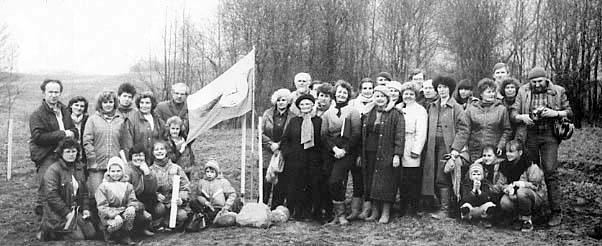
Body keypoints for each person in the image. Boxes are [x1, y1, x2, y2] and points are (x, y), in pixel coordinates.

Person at [511, 66, 572, 227]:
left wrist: (555, 113)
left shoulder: (558, 91)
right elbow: (513, 114)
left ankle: (556, 211)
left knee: (550, 171)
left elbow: (570, 112)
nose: (537, 84)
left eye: (539, 81)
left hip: (550, 136)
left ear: (546, 79)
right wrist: (522, 117)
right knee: (531, 171)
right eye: (533, 82)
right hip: (530, 136)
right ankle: (534, 210)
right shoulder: (523, 91)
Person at [30, 79, 79, 216]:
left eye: (56, 92)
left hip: (65, 154)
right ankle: (43, 223)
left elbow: (74, 130)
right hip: (47, 154)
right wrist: (62, 134)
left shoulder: (65, 111)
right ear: (43, 93)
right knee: (46, 187)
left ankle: (63, 219)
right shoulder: (37, 115)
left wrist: (73, 133)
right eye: (50, 92)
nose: (53, 95)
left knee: (67, 186)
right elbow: (38, 137)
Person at [359, 85, 404, 224]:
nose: (379, 99)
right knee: (371, 181)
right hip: (370, 152)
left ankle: (385, 213)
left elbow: (400, 135)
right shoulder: (368, 112)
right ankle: (374, 211)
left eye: (382, 96)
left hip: (387, 153)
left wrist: (397, 155)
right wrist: (361, 154)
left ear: (387, 98)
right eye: (377, 96)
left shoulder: (395, 113)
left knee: (386, 183)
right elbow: (362, 135)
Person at [421, 76, 463, 219]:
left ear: (450, 89)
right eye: (439, 87)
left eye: (445, 87)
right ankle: (433, 204)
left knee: (443, 176)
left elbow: (463, 129)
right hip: (432, 145)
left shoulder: (456, 108)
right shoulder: (432, 106)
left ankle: (446, 210)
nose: (442, 90)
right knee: (430, 175)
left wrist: (455, 149)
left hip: (447, 146)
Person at [321, 80, 361, 225]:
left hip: (347, 152)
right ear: (335, 94)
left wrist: (344, 150)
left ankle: (342, 214)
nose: (342, 95)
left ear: (348, 95)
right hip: (331, 151)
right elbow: (324, 135)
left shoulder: (353, 112)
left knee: (336, 180)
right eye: (339, 92)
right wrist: (334, 149)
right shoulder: (327, 113)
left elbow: (356, 134)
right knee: (329, 182)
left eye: (345, 92)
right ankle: (337, 215)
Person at [38, 138, 93, 241]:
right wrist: (66, 213)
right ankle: (49, 230)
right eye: (68, 151)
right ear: (61, 153)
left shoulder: (79, 168)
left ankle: (71, 225)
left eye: (74, 151)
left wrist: (85, 208)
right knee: (79, 237)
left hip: (75, 211)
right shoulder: (53, 170)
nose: (71, 154)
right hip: (57, 213)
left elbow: (85, 192)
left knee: (91, 233)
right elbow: (51, 196)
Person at [279, 94, 322, 221]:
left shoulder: (318, 121)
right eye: (302, 104)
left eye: (307, 104)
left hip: (313, 160)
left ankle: (310, 212)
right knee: (296, 185)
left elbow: (322, 140)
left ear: (312, 105)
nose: (305, 107)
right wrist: (288, 153)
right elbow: (285, 139)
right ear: (299, 107)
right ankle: (296, 211)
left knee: (311, 185)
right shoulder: (294, 121)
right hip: (295, 160)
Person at [451, 78, 512, 162]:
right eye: (488, 92)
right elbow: (464, 130)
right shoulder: (471, 109)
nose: (492, 94)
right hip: (475, 151)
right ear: (481, 94)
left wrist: (501, 145)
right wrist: (456, 148)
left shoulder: (501, 109)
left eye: (493, 92)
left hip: (494, 151)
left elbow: (507, 130)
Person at [83, 90, 129, 198]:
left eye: (110, 102)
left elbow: (124, 143)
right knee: (97, 195)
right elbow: (87, 141)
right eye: (105, 102)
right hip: (97, 165)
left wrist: (123, 162)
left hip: (115, 166)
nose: (108, 105)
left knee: (114, 195)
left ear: (115, 103)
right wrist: (92, 160)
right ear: (100, 104)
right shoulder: (92, 120)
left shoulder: (121, 120)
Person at [95, 157, 150, 245]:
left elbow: (132, 200)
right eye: (113, 171)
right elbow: (102, 207)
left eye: (118, 171)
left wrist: (132, 206)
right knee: (118, 221)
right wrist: (114, 215)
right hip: (110, 215)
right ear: (108, 172)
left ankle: (125, 235)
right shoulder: (103, 186)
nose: (116, 174)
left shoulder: (128, 185)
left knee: (131, 212)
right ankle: (110, 234)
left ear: (122, 171)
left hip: (123, 211)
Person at [261, 89, 294, 208]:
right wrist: (270, 144)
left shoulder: (292, 116)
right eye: (279, 100)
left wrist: (279, 145)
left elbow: (291, 135)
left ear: (288, 101)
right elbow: (260, 133)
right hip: (267, 152)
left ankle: (275, 207)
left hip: (283, 151)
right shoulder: (267, 114)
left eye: (283, 100)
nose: (281, 102)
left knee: (280, 181)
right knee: (266, 180)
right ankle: (262, 205)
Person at [399, 82, 427, 216]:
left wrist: (417, 149)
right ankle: (402, 207)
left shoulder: (420, 110)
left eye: (411, 94)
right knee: (402, 179)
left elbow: (421, 132)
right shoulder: (399, 108)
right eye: (406, 94)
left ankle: (414, 207)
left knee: (413, 178)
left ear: (415, 95)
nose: (408, 96)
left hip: (412, 144)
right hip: (400, 145)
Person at [149, 140, 191, 230]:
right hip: (160, 204)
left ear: (166, 151)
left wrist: (181, 198)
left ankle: (171, 221)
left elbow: (186, 185)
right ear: (152, 153)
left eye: (162, 149)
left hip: (174, 203)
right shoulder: (150, 171)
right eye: (156, 150)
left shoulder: (176, 168)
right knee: (159, 209)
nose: (159, 151)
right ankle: (160, 221)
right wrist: (156, 195)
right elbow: (147, 189)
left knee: (182, 216)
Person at [499, 161, 548, 232]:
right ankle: (517, 218)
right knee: (505, 202)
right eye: (507, 152)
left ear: (520, 152)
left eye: (511, 152)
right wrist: (508, 189)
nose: (508, 154)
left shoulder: (531, 166)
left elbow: (536, 186)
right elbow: (502, 184)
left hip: (534, 196)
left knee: (522, 193)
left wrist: (523, 184)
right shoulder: (506, 164)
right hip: (515, 194)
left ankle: (527, 220)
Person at [124, 144, 158, 236]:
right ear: (131, 157)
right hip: (130, 202)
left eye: (141, 155)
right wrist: (142, 210)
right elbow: (127, 196)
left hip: (142, 198)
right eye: (135, 156)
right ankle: (137, 229)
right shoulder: (127, 170)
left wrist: (147, 174)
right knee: (141, 217)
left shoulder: (146, 168)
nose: (138, 158)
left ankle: (147, 225)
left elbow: (151, 190)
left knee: (155, 201)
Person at [126, 91, 164, 157]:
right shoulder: (131, 120)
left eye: (147, 103)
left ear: (152, 104)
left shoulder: (158, 119)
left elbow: (163, 139)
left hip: (155, 160)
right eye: (142, 103)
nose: (144, 105)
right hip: (138, 159)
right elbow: (128, 144)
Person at [459, 163, 496, 228]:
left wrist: (479, 191)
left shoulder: (485, 184)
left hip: (481, 208)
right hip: (471, 208)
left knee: (490, 205)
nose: (476, 176)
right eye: (474, 174)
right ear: (470, 175)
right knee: (465, 206)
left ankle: (485, 220)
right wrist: (473, 190)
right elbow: (465, 199)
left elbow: (488, 198)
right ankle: (467, 220)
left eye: (478, 174)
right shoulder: (466, 185)